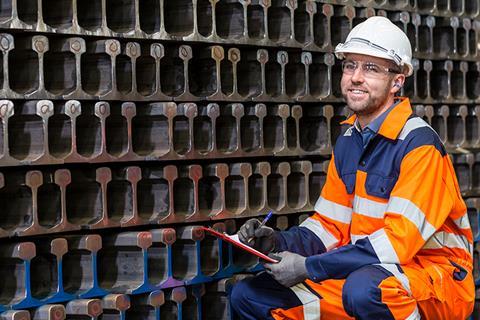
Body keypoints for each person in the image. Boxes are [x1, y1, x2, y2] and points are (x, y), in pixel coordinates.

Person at [230, 16, 474, 320]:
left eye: (371, 68)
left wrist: (308, 267)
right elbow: (329, 227)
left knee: (365, 291)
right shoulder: (349, 139)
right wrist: (276, 241)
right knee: (251, 296)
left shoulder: (419, 146)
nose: (356, 77)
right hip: (366, 272)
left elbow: (396, 245)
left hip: (434, 281)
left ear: (398, 81)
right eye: (350, 66)